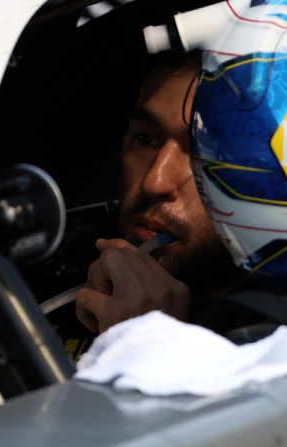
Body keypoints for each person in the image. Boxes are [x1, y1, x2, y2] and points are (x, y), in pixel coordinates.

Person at [75, 51, 243, 334]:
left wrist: (149, 345)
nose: (154, 182)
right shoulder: (33, 281)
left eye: (205, 153)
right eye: (146, 139)